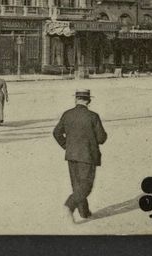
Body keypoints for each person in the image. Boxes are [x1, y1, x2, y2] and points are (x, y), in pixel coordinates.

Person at [53, 89, 108, 223]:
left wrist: (66, 145)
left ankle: (84, 213)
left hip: (71, 155)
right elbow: (101, 138)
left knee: (77, 185)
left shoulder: (67, 114)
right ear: (88, 101)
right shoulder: (93, 116)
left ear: (76, 99)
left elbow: (56, 133)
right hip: (88, 155)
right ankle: (69, 205)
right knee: (86, 186)